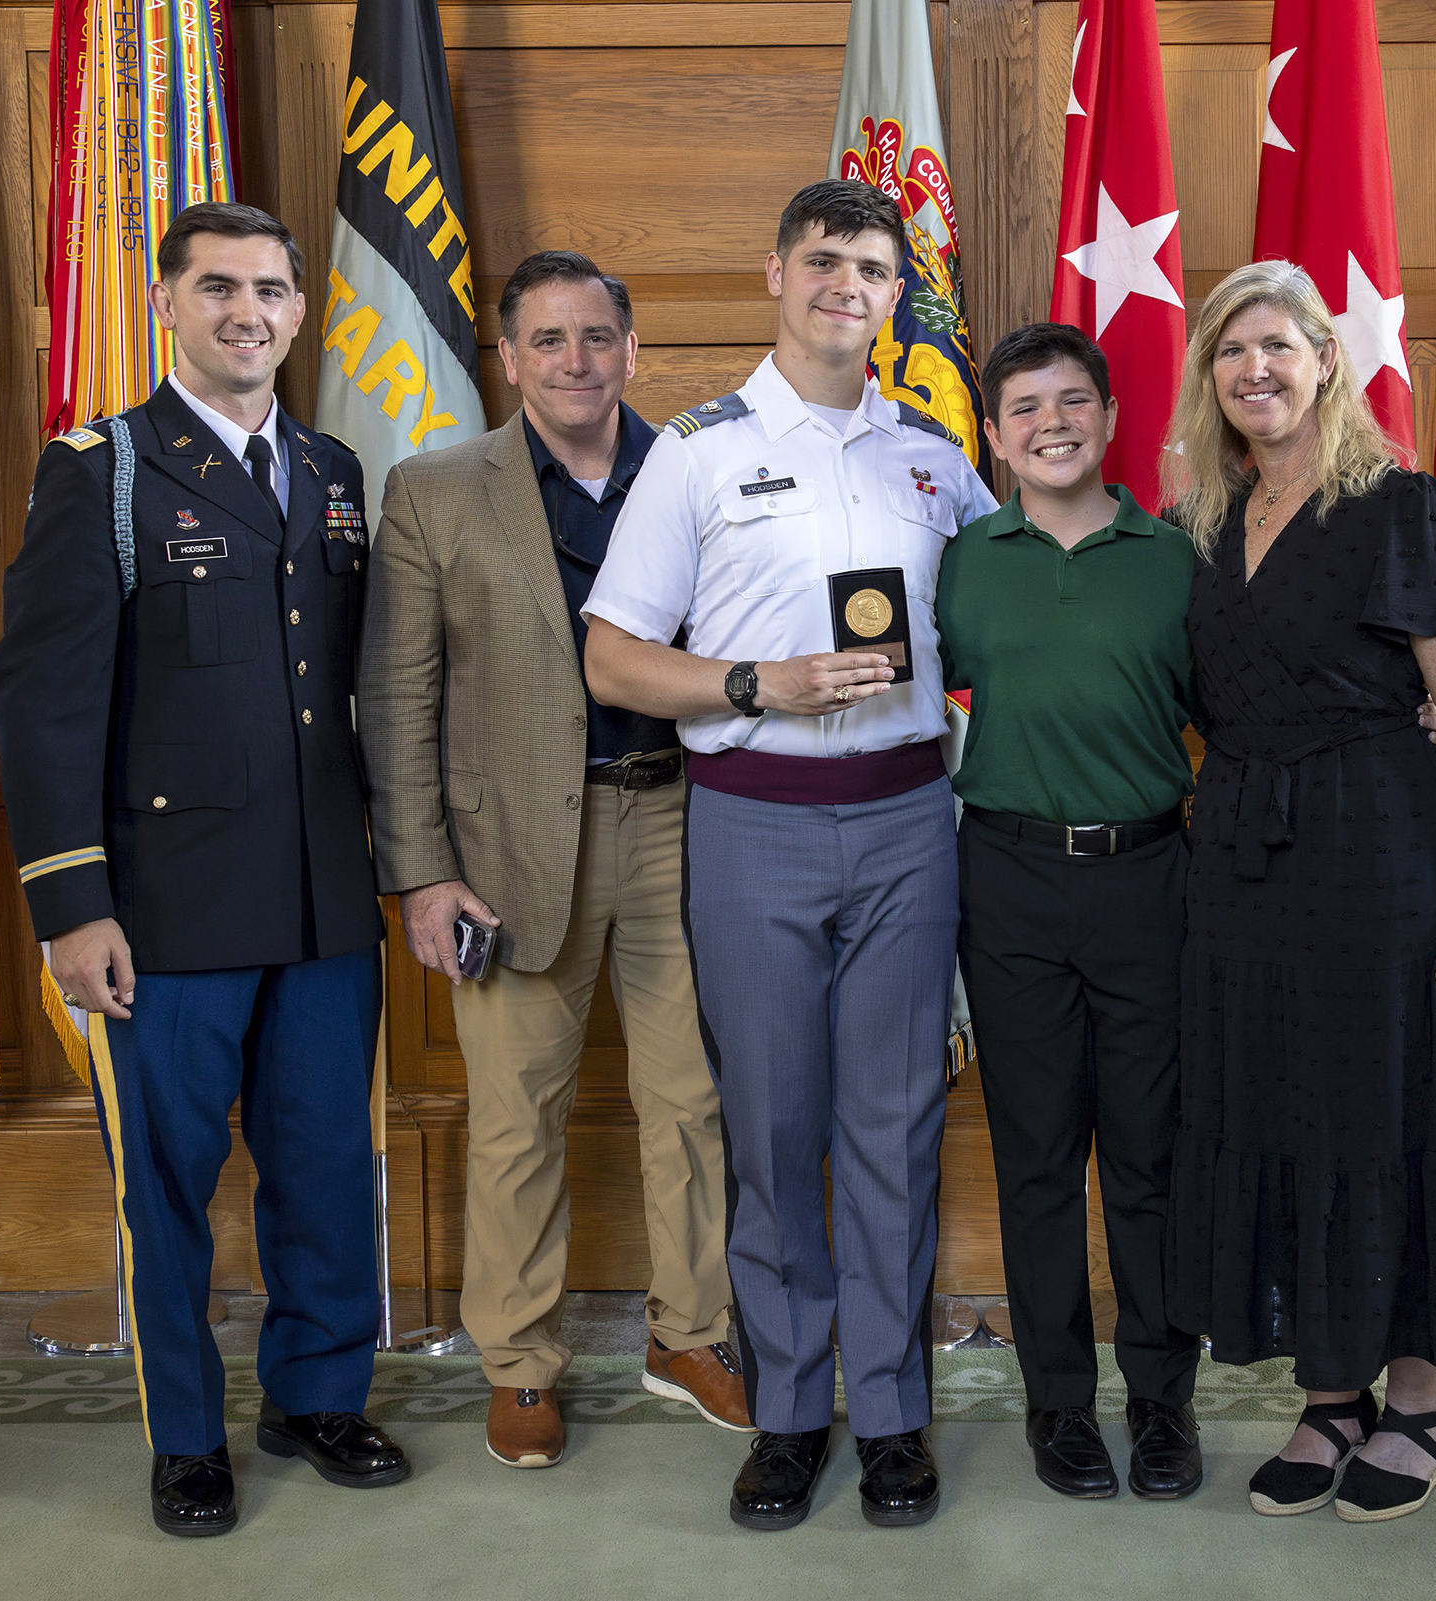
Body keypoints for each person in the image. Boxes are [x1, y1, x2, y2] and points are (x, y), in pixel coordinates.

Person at [583, 178, 997, 1532]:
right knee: (768, 1130)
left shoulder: (940, 456)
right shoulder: (695, 452)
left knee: (893, 1130)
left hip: (905, 828)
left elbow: (1015, 622)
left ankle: (885, 1413)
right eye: (824, 260)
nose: (846, 284)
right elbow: (615, 655)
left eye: (872, 267)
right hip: (751, 823)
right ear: (775, 274)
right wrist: (759, 684)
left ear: (895, 294)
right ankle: (789, 1413)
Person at [0, 202, 406, 1537]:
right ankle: (186, 1434)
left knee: (325, 1162)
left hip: (321, 897)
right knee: (163, 1186)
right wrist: (71, 902)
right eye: (219, 285)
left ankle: (316, 1394)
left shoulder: (334, 468)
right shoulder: (103, 469)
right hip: (161, 910)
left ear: (299, 311)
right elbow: (44, 698)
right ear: (168, 303)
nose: (249, 310)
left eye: (272, 289)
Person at [355, 250, 750, 1472]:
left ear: (634, 353)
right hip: (512, 845)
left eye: (596, 338)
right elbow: (398, 688)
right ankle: (521, 1362)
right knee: (515, 1114)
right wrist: (421, 873)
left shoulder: (703, 472)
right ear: (509, 357)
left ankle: (691, 1333)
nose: (574, 361)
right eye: (547, 339)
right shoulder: (435, 489)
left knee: (692, 1097)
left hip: (682, 820)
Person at [1164, 258, 1436, 1524]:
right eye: (1230, 349)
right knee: (1281, 1103)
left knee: (1390, 1103)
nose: (1255, 368)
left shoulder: (1401, 506)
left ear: (1326, 360)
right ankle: (1332, 1394)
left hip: (1383, 851)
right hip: (1245, 861)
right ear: (1211, 377)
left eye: (1278, 345)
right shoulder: (1205, 526)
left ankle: (1420, 1392)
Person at [935, 323, 1203, 1502]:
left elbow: (1248, 704)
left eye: (1074, 401)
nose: (1053, 422)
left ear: (1109, 416)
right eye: (1027, 407)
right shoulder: (958, 558)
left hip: (1152, 879)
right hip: (1008, 881)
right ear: (993, 435)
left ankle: (1162, 1406)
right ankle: (1060, 1408)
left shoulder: (1177, 555)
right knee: (1037, 1160)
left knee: (1151, 1162)